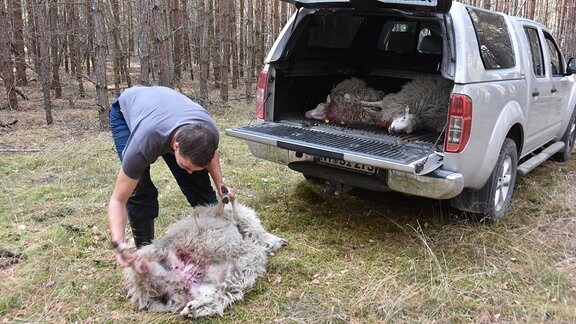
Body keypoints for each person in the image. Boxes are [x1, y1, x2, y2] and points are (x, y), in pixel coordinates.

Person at [107, 85, 235, 266]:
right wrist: (117, 243)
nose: (189, 171)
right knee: (140, 190)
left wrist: (222, 188)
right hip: (127, 112)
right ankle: (146, 254)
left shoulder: (209, 132)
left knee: (198, 183)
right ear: (176, 147)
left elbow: (211, 154)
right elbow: (118, 200)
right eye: (186, 165)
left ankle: (217, 239)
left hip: (166, 111)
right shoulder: (144, 142)